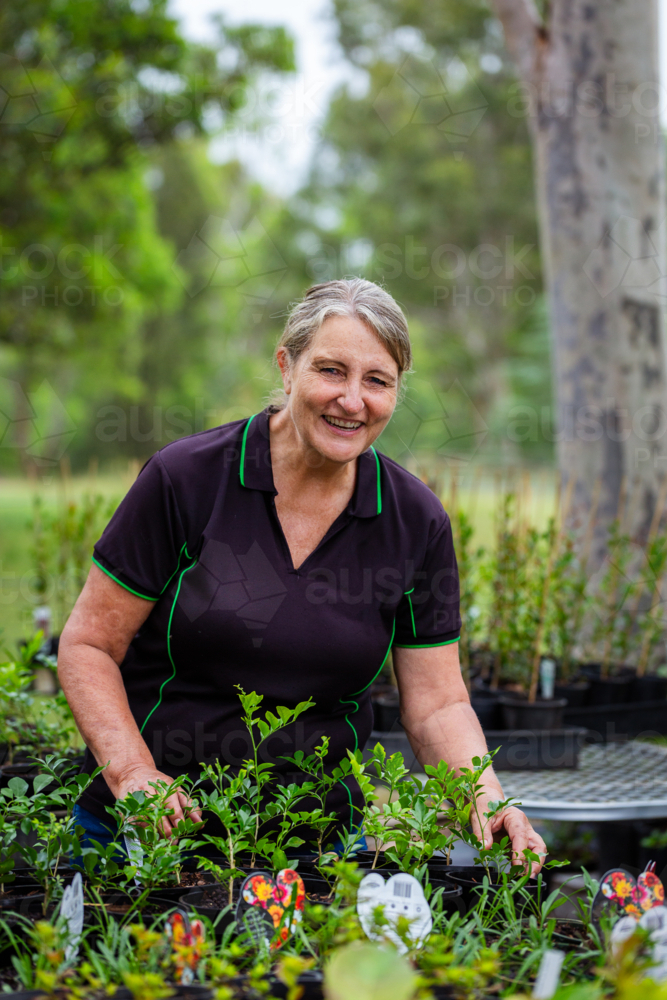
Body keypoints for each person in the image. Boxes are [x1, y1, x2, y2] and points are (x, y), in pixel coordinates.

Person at [58, 278, 547, 870]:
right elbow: (88, 645)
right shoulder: (186, 481)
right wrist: (134, 772)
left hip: (316, 844)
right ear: (287, 367)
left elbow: (438, 702)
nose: (352, 400)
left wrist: (485, 796)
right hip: (149, 832)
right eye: (331, 370)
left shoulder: (415, 521)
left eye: (377, 381)